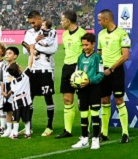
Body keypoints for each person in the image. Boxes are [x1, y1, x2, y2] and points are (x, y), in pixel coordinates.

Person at [95, 8, 132, 142]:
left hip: (116, 71)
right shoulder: (101, 34)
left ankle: (125, 133)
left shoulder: (122, 34)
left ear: (106, 19)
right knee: (104, 100)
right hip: (103, 72)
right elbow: (99, 54)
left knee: (119, 100)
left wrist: (111, 68)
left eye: (100, 20)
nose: (98, 22)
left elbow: (125, 56)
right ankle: (104, 133)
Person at [22, 10, 59, 136]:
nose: (32, 25)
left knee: (48, 97)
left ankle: (49, 126)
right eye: (30, 23)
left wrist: (35, 47)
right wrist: (35, 43)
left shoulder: (51, 32)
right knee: (29, 98)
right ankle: (29, 127)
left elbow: (53, 49)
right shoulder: (29, 33)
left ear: (39, 19)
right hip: (32, 69)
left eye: (33, 22)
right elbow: (25, 51)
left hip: (46, 69)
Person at [73, 32, 105, 149]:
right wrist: (74, 82)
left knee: (95, 113)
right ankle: (84, 138)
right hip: (82, 89)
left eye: (87, 45)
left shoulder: (97, 57)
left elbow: (101, 74)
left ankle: (96, 139)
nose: (85, 47)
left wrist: (90, 81)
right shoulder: (80, 57)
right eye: (83, 45)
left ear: (93, 44)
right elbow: (77, 72)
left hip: (94, 88)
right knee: (83, 113)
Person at [57, 10, 85, 138]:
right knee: (67, 99)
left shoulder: (82, 33)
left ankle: (86, 130)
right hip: (67, 68)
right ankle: (67, 130)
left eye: (62, 20)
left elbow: (86, 52)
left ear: (68, 21)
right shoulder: (64, 34)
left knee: (83, 101)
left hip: (78, 68)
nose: (61, 22)